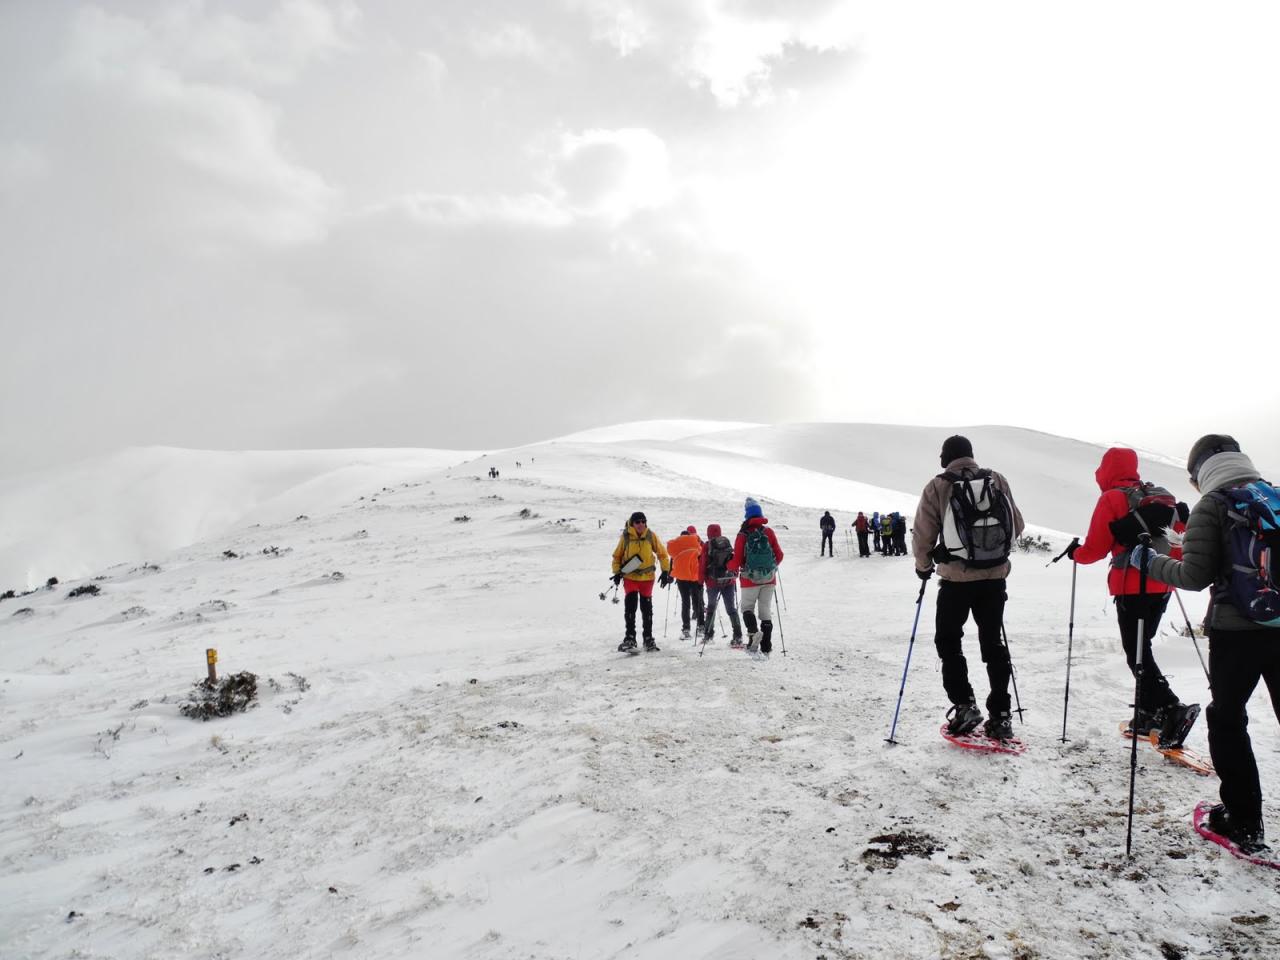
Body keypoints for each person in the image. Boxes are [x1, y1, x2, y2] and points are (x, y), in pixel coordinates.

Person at [1135, 435, 1279, 854]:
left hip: (1237, 632)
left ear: (1200, 472)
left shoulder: (1212, 506)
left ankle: (1244, 821)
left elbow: (1194, 577)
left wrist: (1150, 561)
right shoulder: (1273, 496)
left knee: (1228, 717)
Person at [1066, 447, 1199, 747]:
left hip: (1131, 584)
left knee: (1136, 653)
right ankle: (1148, 714)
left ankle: (1171, 708)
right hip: (1165, 582)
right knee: (1143, 646)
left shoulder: (1113, 498)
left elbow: (1097, 548)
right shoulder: (1160, 497)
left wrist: (1076, 554)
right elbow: (1179, 541)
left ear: (1106, 469)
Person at [912, 435, 1025, 741]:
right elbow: (1018, 523)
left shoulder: (938, 486)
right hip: (994, 578)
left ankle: (965, 706)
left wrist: (924, 566)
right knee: (993, 644)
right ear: (971, 455)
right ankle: (1001, 716)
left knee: (949, 641)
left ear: (945, 458)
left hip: (956, 582)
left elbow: (923, 535)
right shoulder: (996, 479)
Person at [729, 497, 784, 657]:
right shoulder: (768, 532)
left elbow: (736, 561)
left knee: (747, 608)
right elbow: (779, 555)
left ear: (747, 515)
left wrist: (729, 566)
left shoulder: (743, 534)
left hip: (749, 580)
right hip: (769, 578)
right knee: (765, 610)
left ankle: (753, 634)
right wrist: (770, 568)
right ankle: (766, 647)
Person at [611, 511, 672, 652]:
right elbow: (617, 556)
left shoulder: (650, 535)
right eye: (637, 522)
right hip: (630, 577)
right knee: (631, 606)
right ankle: (630, 638)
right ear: (632, 523)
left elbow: (662, 554)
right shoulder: (626, 537)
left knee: (647, 609)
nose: (641, 524)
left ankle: (648, 638)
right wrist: (616, 573)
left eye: (643, 521)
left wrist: (665, 571)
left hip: (647, 578)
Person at [701, 523, 743, 646]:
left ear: (708, 533)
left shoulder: (707, 546)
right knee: (731, 608)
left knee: (711, 607)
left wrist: (700, 581)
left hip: (712, 582)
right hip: (728, 580)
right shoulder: (726, 542)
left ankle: (708, 635)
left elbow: (703, 565)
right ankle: (738, 635)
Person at [666, 525, 706, 641]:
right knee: (697, 602)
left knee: (685, 603)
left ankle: (686, 629)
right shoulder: (695, 544)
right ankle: (701, 627)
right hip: (694, 577)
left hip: (682, 579)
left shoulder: (677, 547)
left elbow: (672, 562)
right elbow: (701, 559)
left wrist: (670, 576)